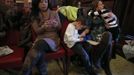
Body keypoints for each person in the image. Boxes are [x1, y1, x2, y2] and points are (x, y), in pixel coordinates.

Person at [19, 0, 61, 75]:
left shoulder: (54, 13)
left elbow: (59, 27)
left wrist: (56, 25)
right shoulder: (34, 15)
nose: (44, 4)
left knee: (39, 45)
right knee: (40, 50)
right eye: (41, 2)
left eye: (45, 2)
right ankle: (42, 72)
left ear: (48, 3)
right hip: (41, 38)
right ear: (37, 4)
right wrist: (43, 27)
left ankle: (25, 72)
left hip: (53, 39)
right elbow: (37, 32)